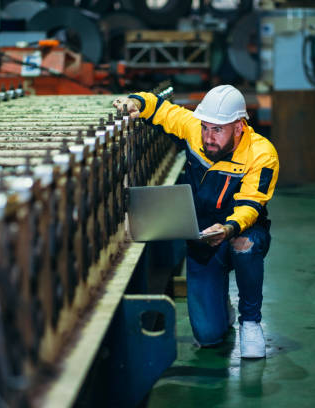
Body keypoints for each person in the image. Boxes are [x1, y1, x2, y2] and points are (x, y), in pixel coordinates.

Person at [113, 85, 279, 358]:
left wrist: (227, 229)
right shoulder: (196, 133)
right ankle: (220, 304)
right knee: (208, 336)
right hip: (202, 236)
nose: (208, 137)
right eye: (205, 127)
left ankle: (250, 322)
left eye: (217, 130)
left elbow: (250, 205)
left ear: (239, 127)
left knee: (245, 246)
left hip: (239, 230)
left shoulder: (262, 154)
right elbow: (162, 110)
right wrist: (136, 101)